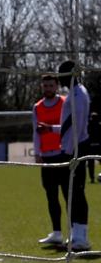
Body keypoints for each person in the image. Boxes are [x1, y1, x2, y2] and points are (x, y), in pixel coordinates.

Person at [32, 66, 89, 251]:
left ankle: (81, 237)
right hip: (63, 152)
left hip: (72, 151)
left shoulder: (76, 96)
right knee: (68, 194)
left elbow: (77, 127)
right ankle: (75, 234)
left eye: (61, 76)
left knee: (74, 194)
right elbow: (68, 125)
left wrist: (69, 152)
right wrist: (50, 130)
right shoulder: (75, 94)